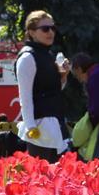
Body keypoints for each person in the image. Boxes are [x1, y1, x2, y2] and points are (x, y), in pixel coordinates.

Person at [16, 10, 69, 163]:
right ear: (32, 32)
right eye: (45, 29)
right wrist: (31, 126)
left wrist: (63, 76)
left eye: (53, 28)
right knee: (41, 177)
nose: (50, 32)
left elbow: (54, 89)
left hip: (56, 124)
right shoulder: (27, 57)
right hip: (39, 128)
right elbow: (25, 96)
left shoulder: (49, 55)